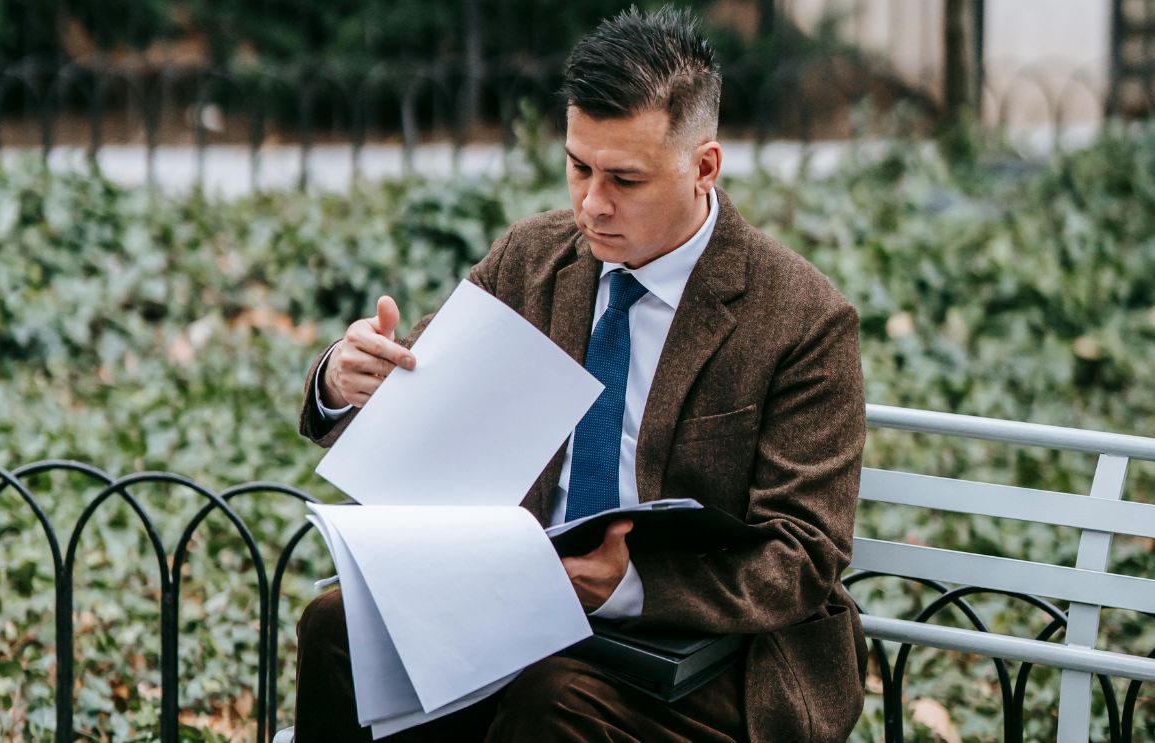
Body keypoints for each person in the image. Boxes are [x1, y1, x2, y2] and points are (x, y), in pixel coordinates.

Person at [293, 7, 867, 742]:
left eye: (624, 178)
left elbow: (802, 555)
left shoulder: (801, 317)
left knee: (551, 695)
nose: (592, 204)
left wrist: (629, 586)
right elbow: (414, 393)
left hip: (715, 649)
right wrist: (344, 381)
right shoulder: (533, 259)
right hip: (520, 604)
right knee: (335, 626)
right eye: (577, 166)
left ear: (703, 167)